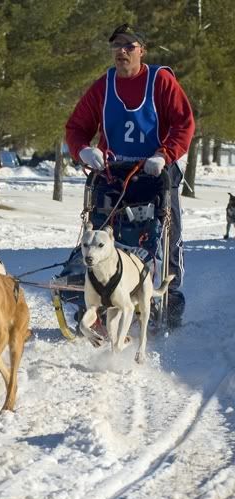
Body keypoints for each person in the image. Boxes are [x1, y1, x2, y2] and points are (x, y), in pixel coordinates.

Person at [65, 23, 195, 328]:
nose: (121, 52)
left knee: (166, 232)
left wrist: (164, 155)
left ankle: (168, 294)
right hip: (112, 175)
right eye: (116, 46)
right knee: (99, 233)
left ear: (142, 51)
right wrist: (83, 150)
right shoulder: (103, 85)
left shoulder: (160, 80)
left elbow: (183, 124)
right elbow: (76, 128)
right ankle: (97, 295)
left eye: (129, 46)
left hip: (155, 173)